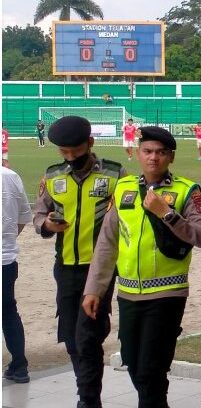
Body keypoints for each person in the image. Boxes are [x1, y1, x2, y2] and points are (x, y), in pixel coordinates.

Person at [82, 126, 201, 408]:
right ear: (138, 154)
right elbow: (107, 243)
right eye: (148, 151)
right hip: (127, 293)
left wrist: (166, 213)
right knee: (134, 364)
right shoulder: (124, 188)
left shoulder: (186, 190)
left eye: (161, 152)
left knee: (150, 369)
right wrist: (94, 289)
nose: (154, 158)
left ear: (171, 157)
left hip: (167, 294)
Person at [33, 116, 125, 408]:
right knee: (72, 339)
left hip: (99, 271)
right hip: (65, 269)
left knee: (88, 337)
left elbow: (128, 217)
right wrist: (47, 224)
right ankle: (86, 394)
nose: (70, 157)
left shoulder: (115, 174)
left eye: (75, 150)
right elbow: (38, 214)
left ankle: (88, 400)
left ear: (90, 143)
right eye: (64, 152)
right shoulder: (52, 176)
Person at [2, 166, 32, 384]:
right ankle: (20, 365)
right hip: (5, 258)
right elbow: (23, 216)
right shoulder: (11, 176)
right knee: (8, 312)